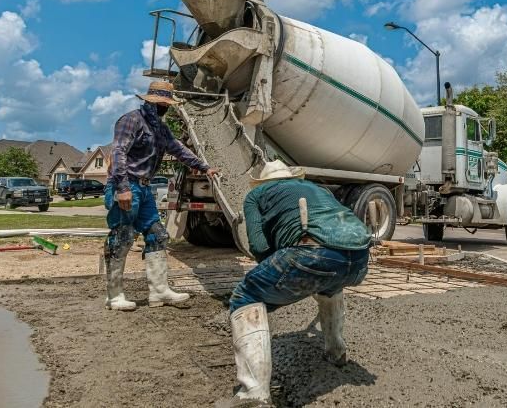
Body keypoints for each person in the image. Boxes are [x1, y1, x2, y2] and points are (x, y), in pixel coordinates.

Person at [219, 160, 372, 407]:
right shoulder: (317, 189)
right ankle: (336, 351)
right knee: (329, 286)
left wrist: (275, 271)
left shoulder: (255, 195)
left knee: (244, 296)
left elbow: (257, 245)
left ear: (264, 181)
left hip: (311, 253)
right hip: (359, 259)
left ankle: (253, 394)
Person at [103, 80, 218, 311]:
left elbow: (178, 149)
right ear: (152, 102)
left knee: (157, 234)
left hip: (144, 188)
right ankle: (114, 296)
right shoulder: (131, 120)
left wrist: (205, 167)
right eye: (162, 104)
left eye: (167, 104)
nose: (165, 108)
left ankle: (159, 291)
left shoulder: (161, 129)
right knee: (123, 236)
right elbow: (118, 152)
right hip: (127, 185)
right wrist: (123, 188)